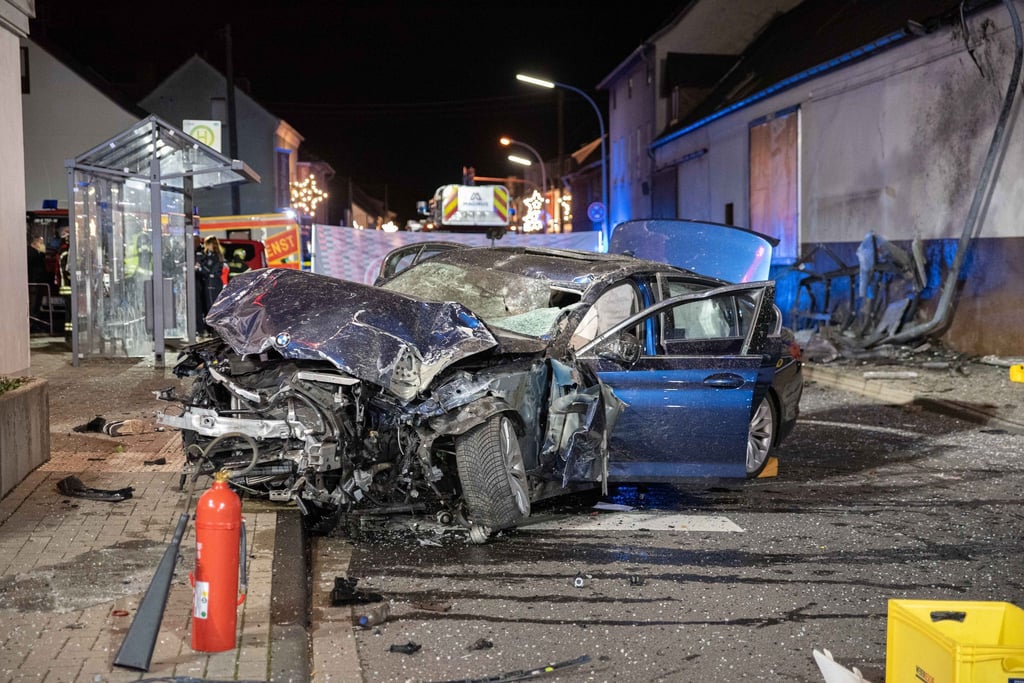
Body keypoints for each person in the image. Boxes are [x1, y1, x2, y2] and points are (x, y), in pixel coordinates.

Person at [196, 235, 226, 335]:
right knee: (212, 306)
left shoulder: (213, 256)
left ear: (211, 244)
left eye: (206, 244)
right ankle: (215, 330)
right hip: (213, 283)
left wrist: (199, 267)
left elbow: (209, 270)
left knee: (211, 306)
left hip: (212, 283)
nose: (205, 246)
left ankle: (215, 331)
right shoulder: (215, 255)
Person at [27, 235, 50, 331]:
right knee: (33, 305)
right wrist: (41, 254)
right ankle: (32, 324)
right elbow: (35, 266)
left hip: (38, 282)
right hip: (34, 283)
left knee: (36, 305)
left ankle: (35, 323)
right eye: (41, 243)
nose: (42, 245)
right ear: (35, 243)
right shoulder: (31, 253)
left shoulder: (37, 253)